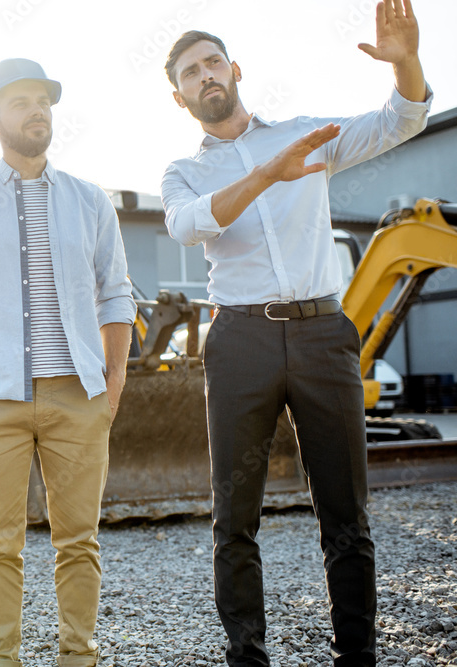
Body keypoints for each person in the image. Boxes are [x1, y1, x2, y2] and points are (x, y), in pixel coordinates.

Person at [160, 1, 431, 665]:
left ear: (236, 69)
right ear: (180, 96)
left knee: (346, 514)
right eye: (191, 72)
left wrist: (406, 64)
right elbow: (189, 225)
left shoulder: (306, 136)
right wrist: (264, 175)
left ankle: (356, 655)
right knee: (235, 519)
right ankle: (247, 656)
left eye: (212, 62)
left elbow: (402, 119)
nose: (206, 76)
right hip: (241, 342)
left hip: (320, 335)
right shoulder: (184, 172)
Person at [0, 58, 136, 667]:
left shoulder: (90, 202)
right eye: (20, 101)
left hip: (78, 395)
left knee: (80, 542)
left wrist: (114, 379)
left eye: (43, 99)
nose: (37, 109)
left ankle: (79, 658)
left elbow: (116, 291)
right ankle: (2, 660)